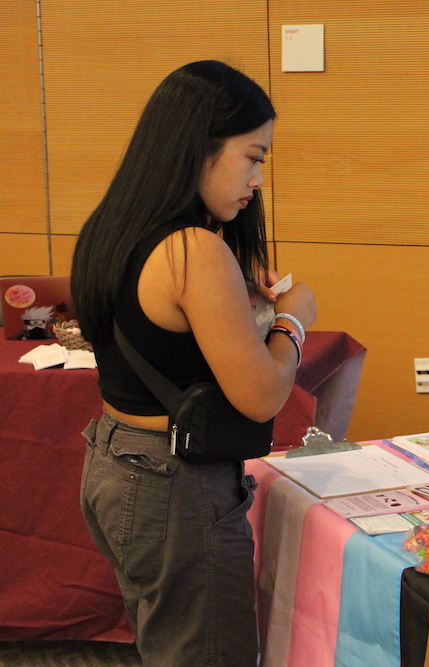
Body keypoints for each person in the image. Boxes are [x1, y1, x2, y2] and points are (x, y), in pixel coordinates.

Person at [71, 60, 317, 665]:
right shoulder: (193, 249)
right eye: (252, 157)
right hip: (172, 482)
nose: (257, 179)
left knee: (170, 647)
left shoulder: (113, 227)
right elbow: (262, 396)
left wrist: (239, 302)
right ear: (198, 146)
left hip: (114, 460)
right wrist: (293, 319)